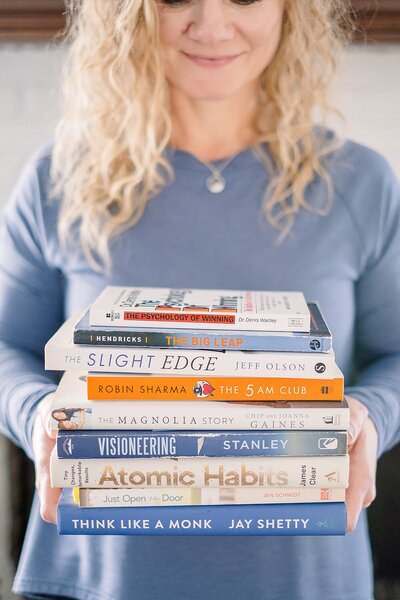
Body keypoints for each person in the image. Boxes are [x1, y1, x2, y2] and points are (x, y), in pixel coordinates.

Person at [0, 1, 399, 598]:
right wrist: (38, 417)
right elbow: (8, 346)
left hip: (301, 576)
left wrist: (369, 414)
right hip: (100, 574)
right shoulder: (57, 178)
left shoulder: (362, 183)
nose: (210, 26)